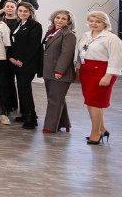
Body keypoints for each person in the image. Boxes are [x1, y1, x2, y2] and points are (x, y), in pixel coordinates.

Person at [75, 11, 121, 145]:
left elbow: (116, 59)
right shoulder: (86, 35)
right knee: (90, 102)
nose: (94, 24)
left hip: (102, 72)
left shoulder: (111, 38)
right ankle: (102, 129)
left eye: (98, 21)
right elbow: (81, 53)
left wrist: (108, 76)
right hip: (86, 71)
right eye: (91, 21)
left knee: (95, 103)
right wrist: (78, 68)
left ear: (105, 23)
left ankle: (95, 133)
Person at [8, 2, 43, 129]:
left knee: (25, 89)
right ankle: (24, 113)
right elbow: (13, 43)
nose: (22, 13)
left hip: (28, 63)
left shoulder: (35, 25)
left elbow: (33, 46)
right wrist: (12, 58)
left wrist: (21, 61)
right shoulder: (17, 24)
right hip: (16, 62)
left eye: (25, 11)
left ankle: (31, 117)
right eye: (20, 11)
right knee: (21, 88)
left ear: (30, 12)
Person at [41, 10, 77, 134]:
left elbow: (67, 54)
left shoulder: (69, 34)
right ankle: (64, 123)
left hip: (60, 72)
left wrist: (59, 71)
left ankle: (50, 127)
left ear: (68, 22)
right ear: (53, 18)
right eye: (57, 17)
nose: (60, 20)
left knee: (54, 99)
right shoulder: (51, 32)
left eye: (63, 19)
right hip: (48, 70)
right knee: (56, 97)